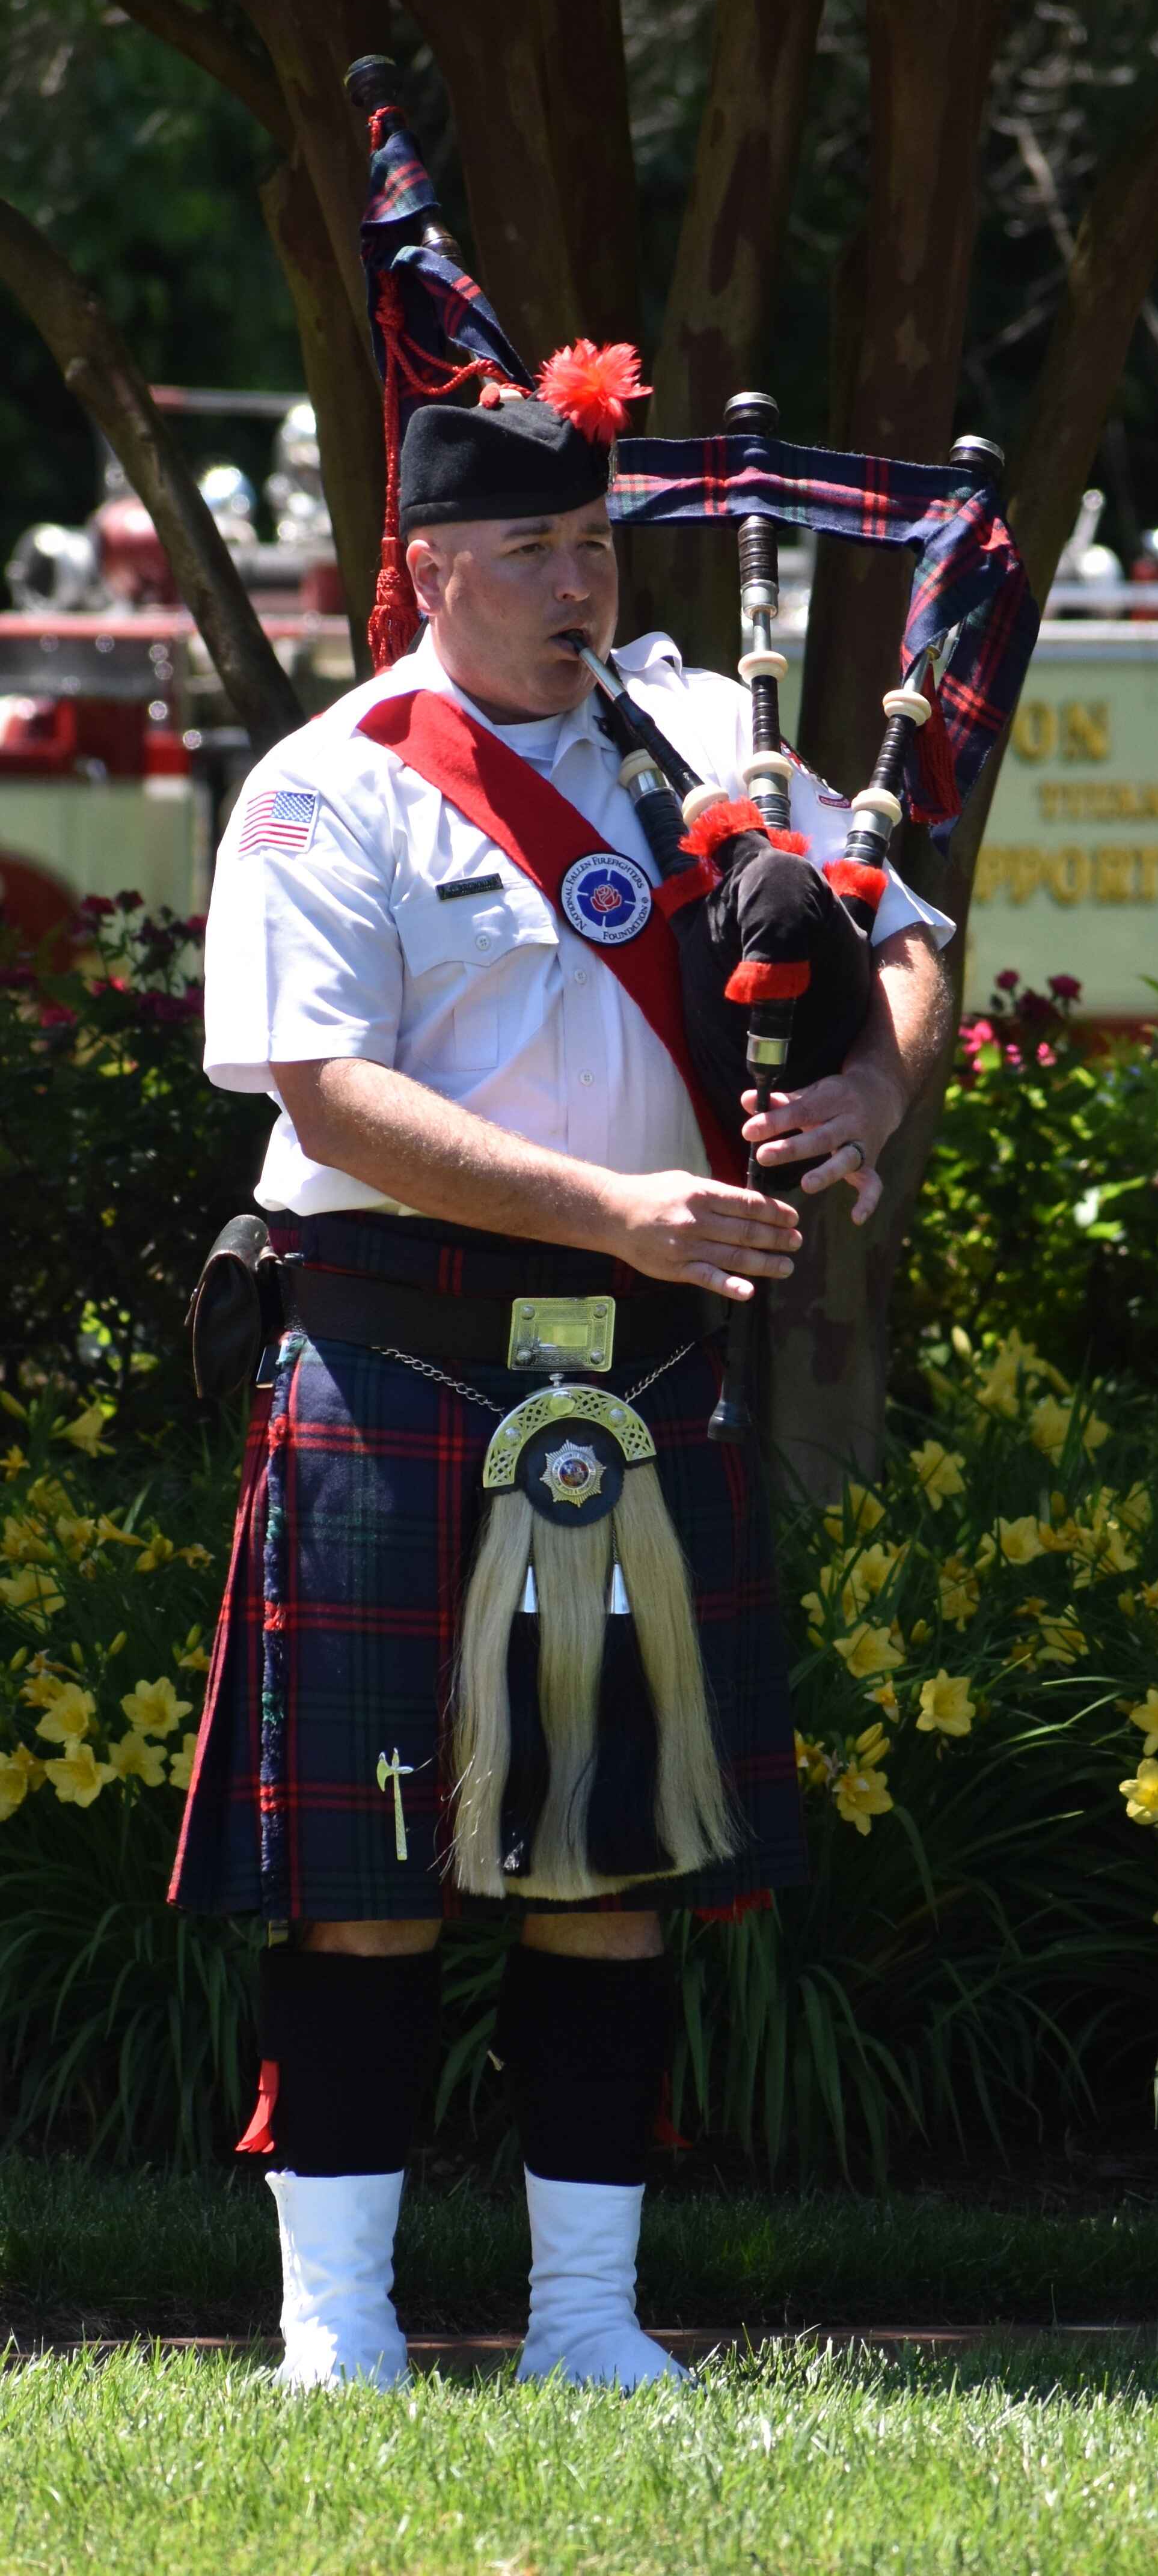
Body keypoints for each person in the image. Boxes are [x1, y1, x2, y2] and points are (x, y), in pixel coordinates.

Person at [171, 376, 954, 2390]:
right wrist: (616, 1207)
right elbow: (329, 1090)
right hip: (398, 1344)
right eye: (528, 548)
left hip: (644, 1354)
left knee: (608, 1854)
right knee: (371, 1870)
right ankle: (337, 2326)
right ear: (428, 565)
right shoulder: (333, 784)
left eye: (595, 541)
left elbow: (904, 935)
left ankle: (592, 2327)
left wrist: (872, 1078)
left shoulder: (696, 746)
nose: (575, 580)